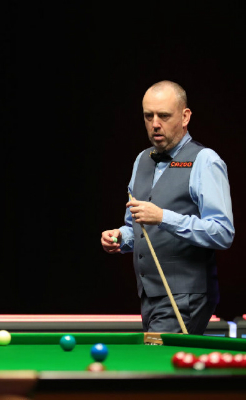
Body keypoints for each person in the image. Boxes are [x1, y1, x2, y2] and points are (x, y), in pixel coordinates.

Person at [100, 80, 234, 335]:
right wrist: (120, 237)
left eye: (164, 116)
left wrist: (163, 217)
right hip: (149, 295)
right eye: (148, 116)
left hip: (185, 297)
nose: (155, 124)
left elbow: (222, 232)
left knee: (154, 358)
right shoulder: (142, 160)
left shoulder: (205, 161)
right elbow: (136, 227)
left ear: (185, 117)